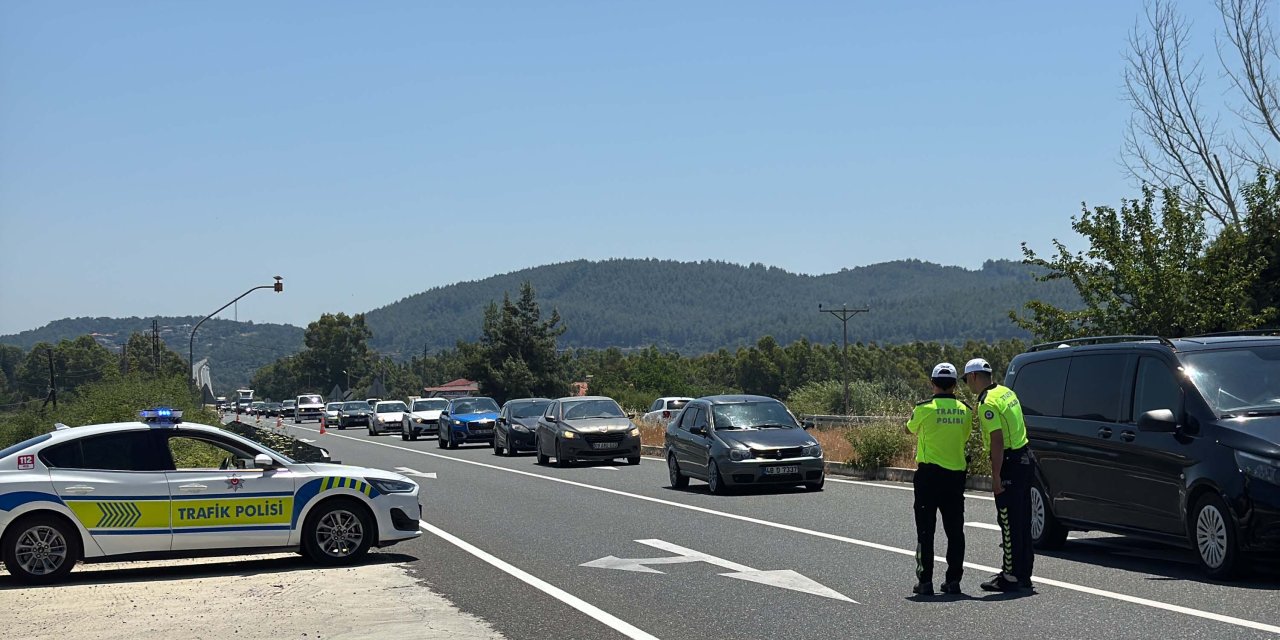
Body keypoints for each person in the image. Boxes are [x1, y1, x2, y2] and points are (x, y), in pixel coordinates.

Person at [963, 357, 1034, 592]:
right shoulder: (1006, 392)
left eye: (966, 380)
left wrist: (995, 476)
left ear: (974, 377)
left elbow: (996, 440)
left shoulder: (986, 404)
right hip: (1025, 456)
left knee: (1008, 521)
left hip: (1010, 463)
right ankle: (1023, 573)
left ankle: (1010, 576)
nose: (967, 385)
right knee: (1023, 520)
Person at [906, 362, 972, 596]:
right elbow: (964, 437)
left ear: (932, 383)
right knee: (955, 531)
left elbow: (910, 428)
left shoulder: (924, 408)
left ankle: (925, 581)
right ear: (955, 385)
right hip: (955, 477)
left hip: (929, 476)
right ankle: (953, 581)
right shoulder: (965, 410)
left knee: (926, 530)